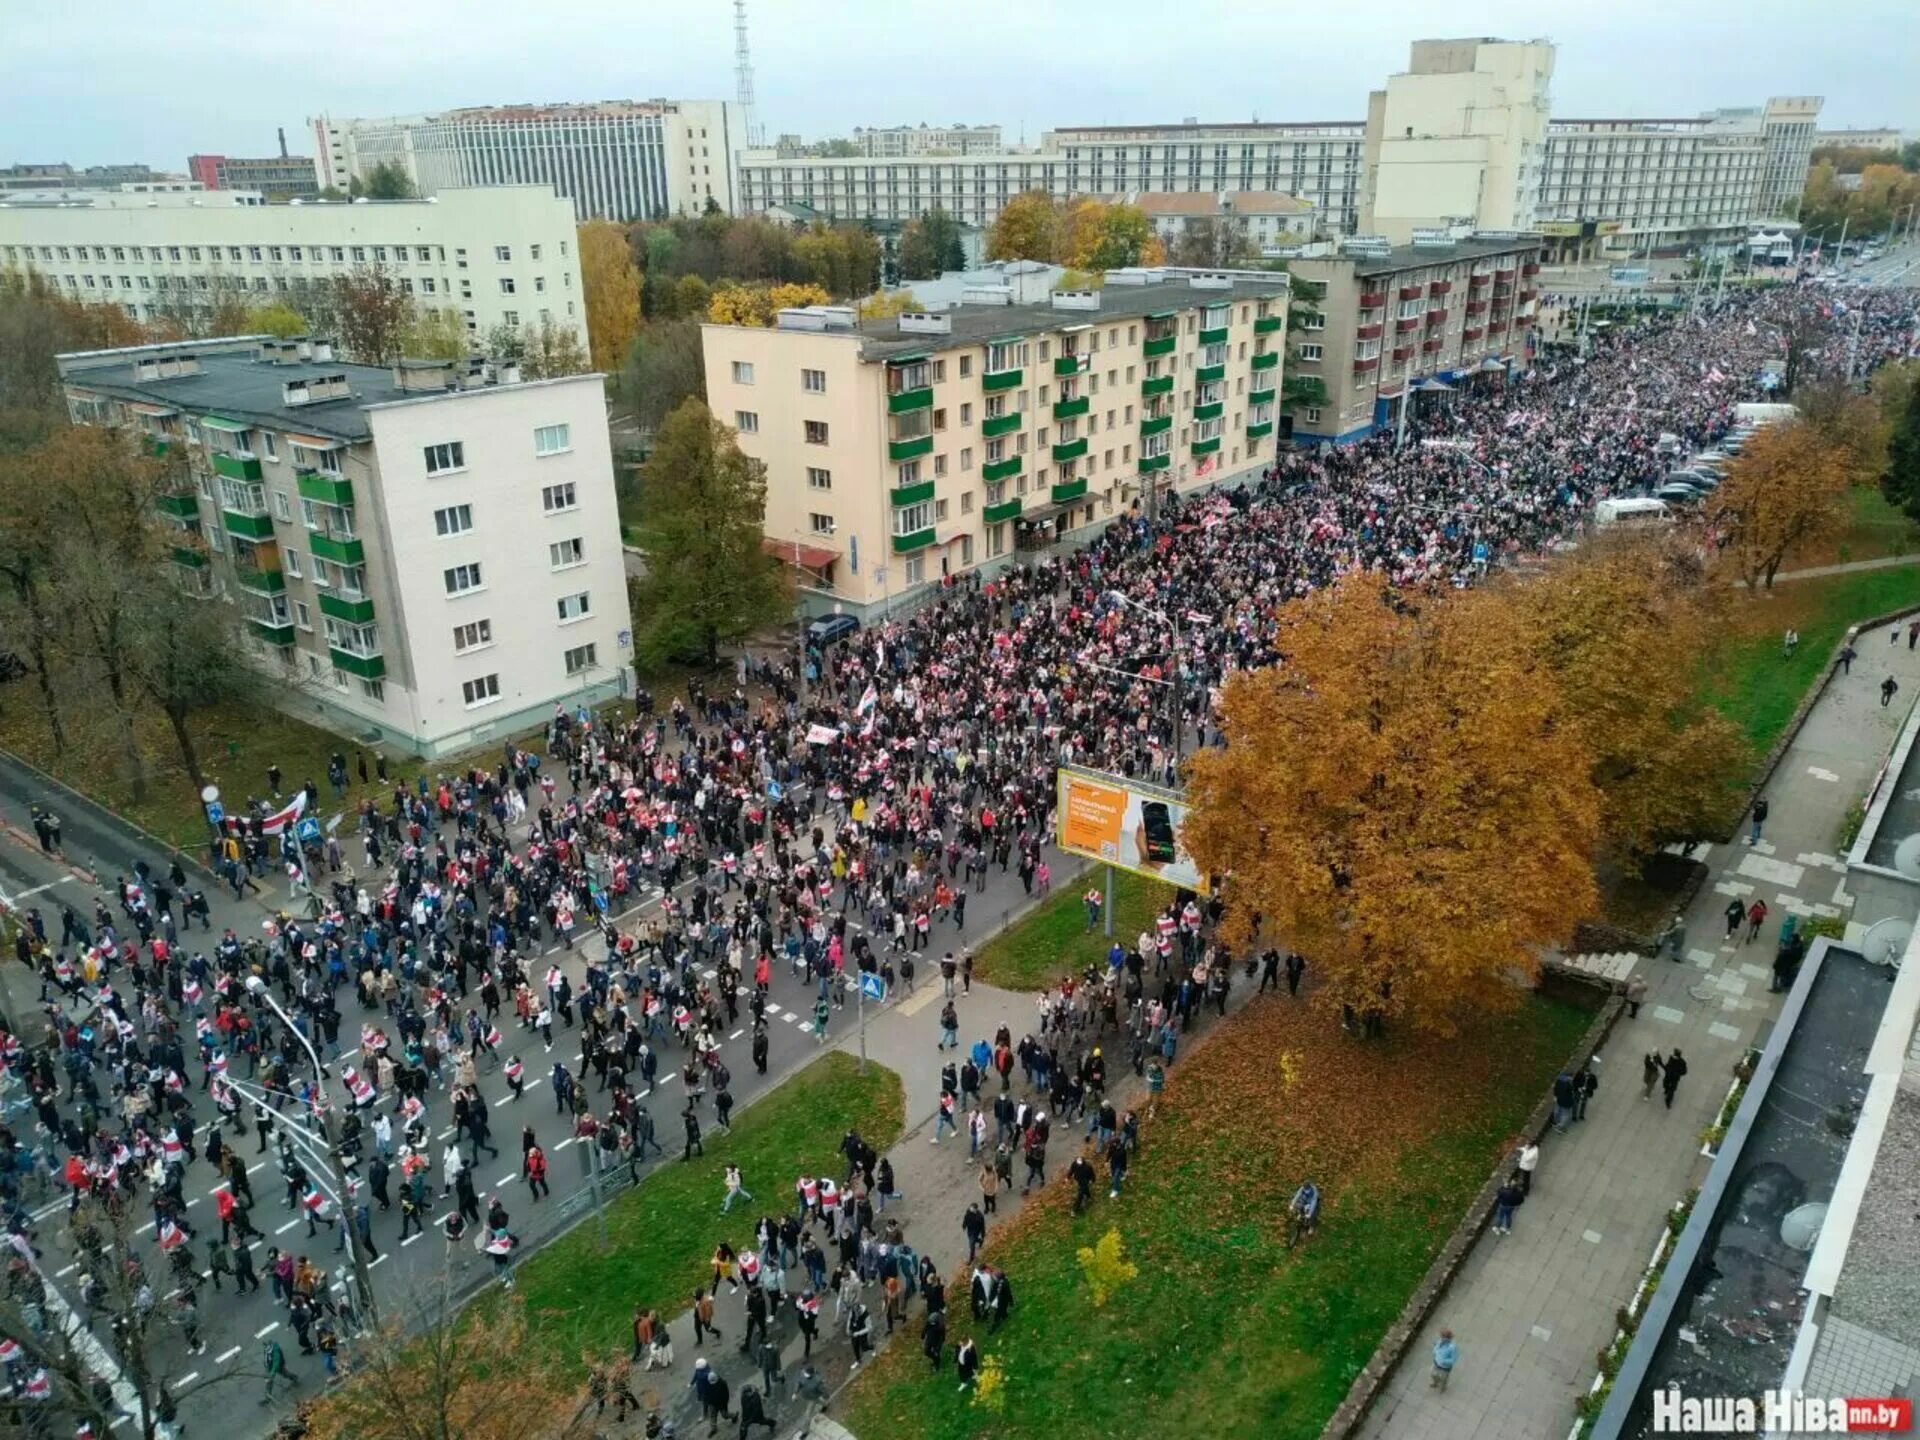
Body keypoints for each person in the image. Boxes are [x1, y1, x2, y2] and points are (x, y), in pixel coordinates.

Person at [1287, 1180, 1319, 1247]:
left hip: (1311, 1202)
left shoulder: (1314, 1192)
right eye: (1304, 1189)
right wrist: (1292, 1205)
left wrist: (1309, 1213)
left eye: (1307, 1190)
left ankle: (1311, 1227)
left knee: (1312, 1214)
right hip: (1304, 1200)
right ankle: (1300, 1216)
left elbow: (1313, 1203)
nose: (1305, 1190)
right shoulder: (1302, 1188)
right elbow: (1297, 1195)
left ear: (1310, 1188)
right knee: (1299, 1206)